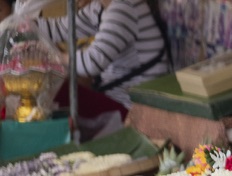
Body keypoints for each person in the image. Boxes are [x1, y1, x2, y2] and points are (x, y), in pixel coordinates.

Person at [37, 0, 170, 110]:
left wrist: (54, 57)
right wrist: (21, 26)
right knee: (49, 92)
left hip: (132, 108)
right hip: (113, 96)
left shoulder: (124, 7)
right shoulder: (100, 8)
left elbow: (93, 62)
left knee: (54, 95)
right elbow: (59, 28)